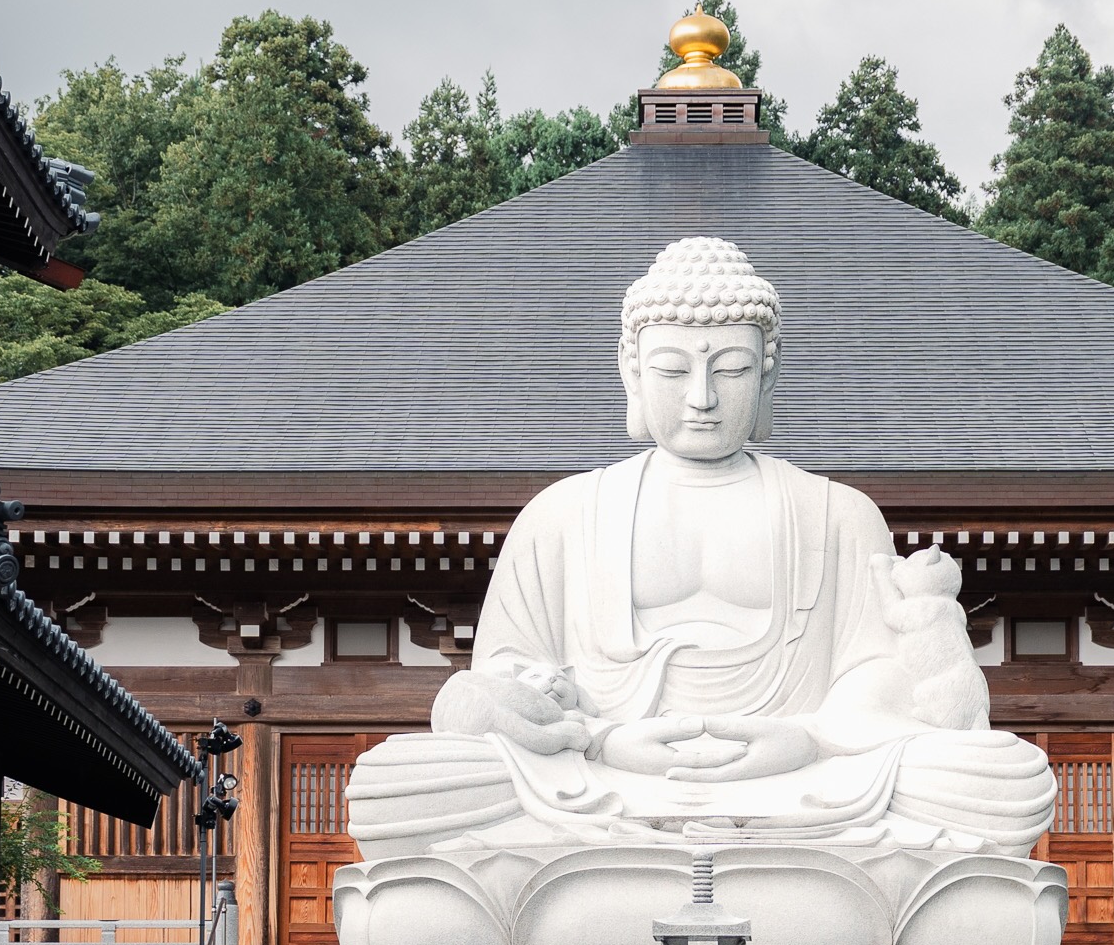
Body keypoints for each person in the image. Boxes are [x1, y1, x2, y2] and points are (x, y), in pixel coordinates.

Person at [346, 237, 1056, 858]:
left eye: (733, 370)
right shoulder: (562, 515)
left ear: (768, 373)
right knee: (398, 780)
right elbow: (509, 682)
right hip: (598, 779)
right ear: (631, 370)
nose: (703, 397)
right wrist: (593, 736)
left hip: (803, 782)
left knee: (1003, 777)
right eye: (673, 369)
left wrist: (805, 740)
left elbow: (876, 679)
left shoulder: (838, 514)